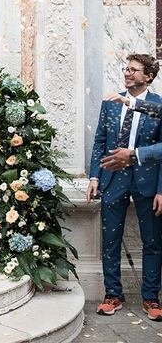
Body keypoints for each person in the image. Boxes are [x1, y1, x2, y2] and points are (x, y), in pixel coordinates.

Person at [86, 54, 162, 320]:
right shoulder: (111, 103)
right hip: (112, 180)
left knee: (152, 242)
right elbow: (100, 141)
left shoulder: (158, 105)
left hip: (148, 182)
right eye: (126, 69)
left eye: (134, 69)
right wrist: (94, 177)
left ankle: (151, 299)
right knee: (110, 241)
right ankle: (113, 295)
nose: (127, 73)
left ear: (148, 76)